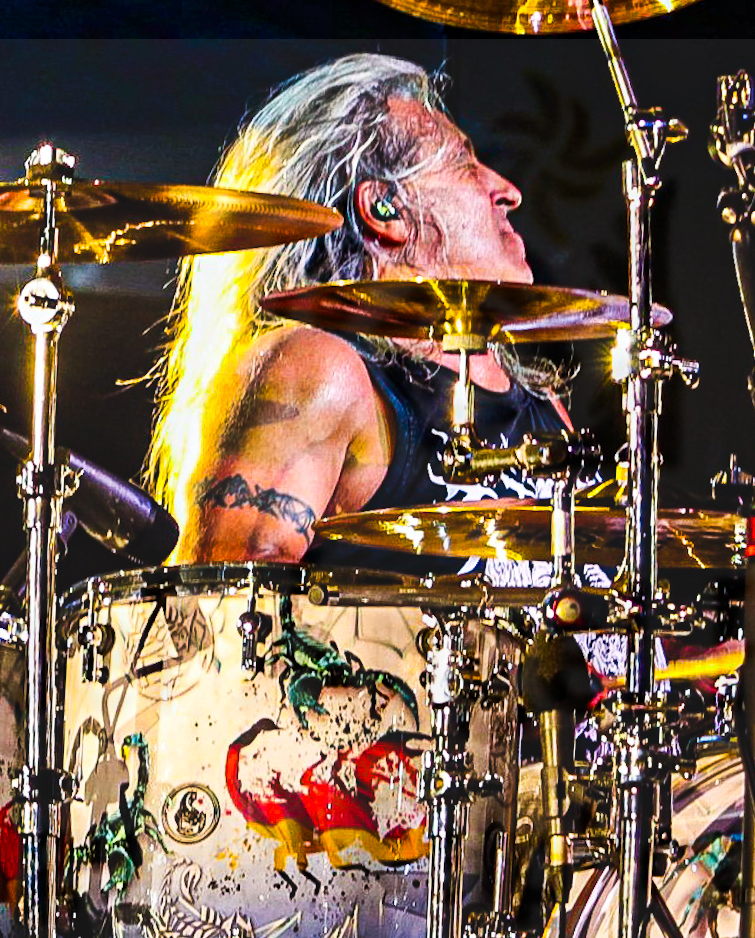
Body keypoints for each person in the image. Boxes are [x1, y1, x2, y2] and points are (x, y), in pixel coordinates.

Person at [145, 53, 571, 566]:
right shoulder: (317, 370)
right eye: (465, 164)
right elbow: (225, 608)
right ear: (385, 210)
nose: (507, 191)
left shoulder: (539, 403)